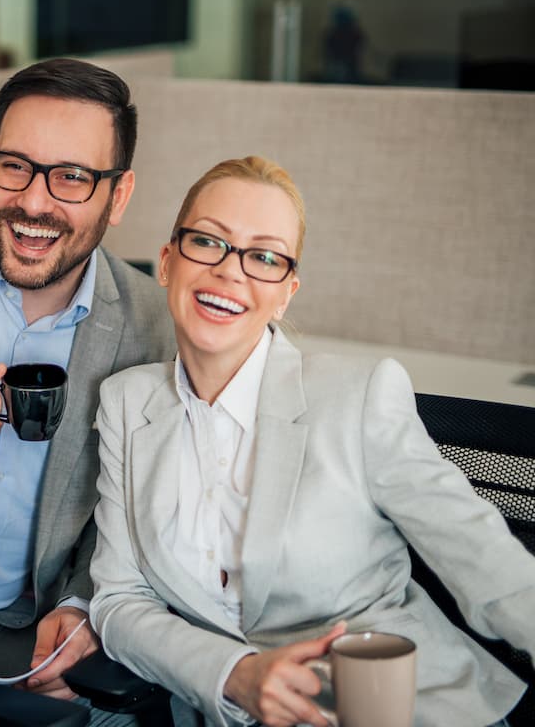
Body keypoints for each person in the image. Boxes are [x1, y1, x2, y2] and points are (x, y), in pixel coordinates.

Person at [90, 155, 535, 727]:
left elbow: (485, 562)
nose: (231, 272)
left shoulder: (360, 396)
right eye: (209, 241)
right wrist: (234, 673)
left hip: (391, 707)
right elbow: (119, 601)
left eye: (265, 257)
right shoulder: (127, 403)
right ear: (169, 262)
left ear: (286, 293)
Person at [0, 57, 176, 703]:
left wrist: (84, 605)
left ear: (119, 195)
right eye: (13, 165)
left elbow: (131, 509)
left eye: (72, 177)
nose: (32, 201)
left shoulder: (154, 329)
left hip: (23, 639)